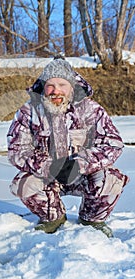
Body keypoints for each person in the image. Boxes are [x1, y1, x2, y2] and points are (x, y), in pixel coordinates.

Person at [7, 58, 129, 237]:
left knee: (110, 179)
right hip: (48, 177)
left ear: (72, 86)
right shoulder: (28, 111)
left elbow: (113, 143)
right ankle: (53, 218)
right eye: (50, 85)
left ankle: (91, 220)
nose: (56, 91)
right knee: (23, 183)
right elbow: (17, 149)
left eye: (62, 84)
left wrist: (80, 164)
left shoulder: (92, 110)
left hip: (83, 176)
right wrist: (49, 166)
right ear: (43, 87)